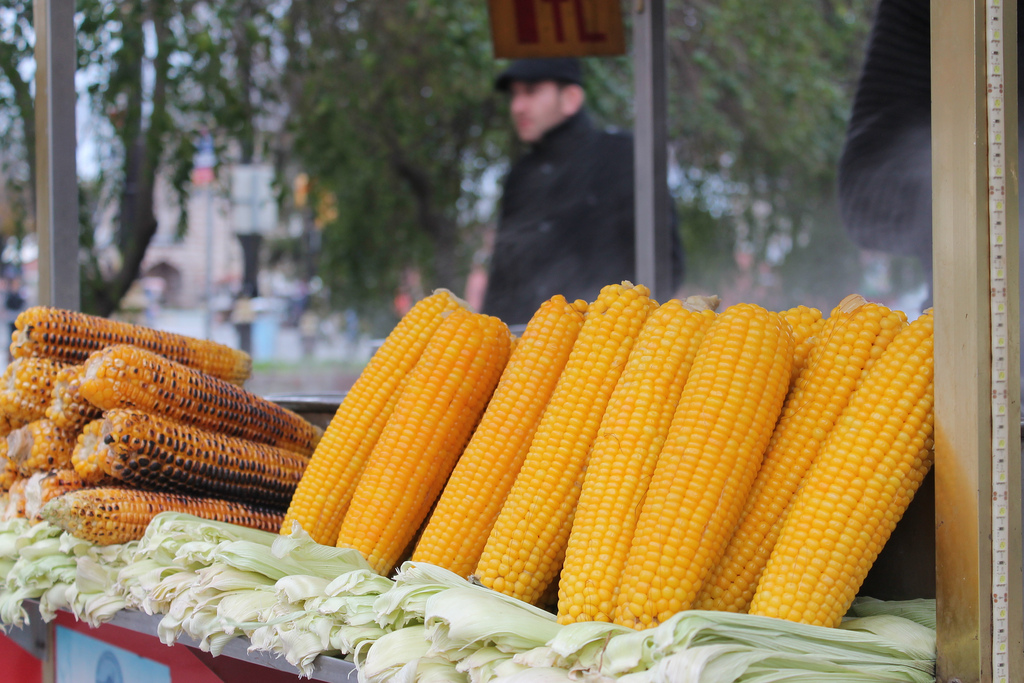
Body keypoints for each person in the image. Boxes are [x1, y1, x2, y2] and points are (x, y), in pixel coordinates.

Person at [482, 58, 685, 325]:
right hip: (527, 347)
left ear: (571, 98)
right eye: (515, 95)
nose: (517, 107)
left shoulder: (622, 157)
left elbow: (666, 262)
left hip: (608, 345)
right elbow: (502, 273)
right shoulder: (520, 175)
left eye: (530, 92)